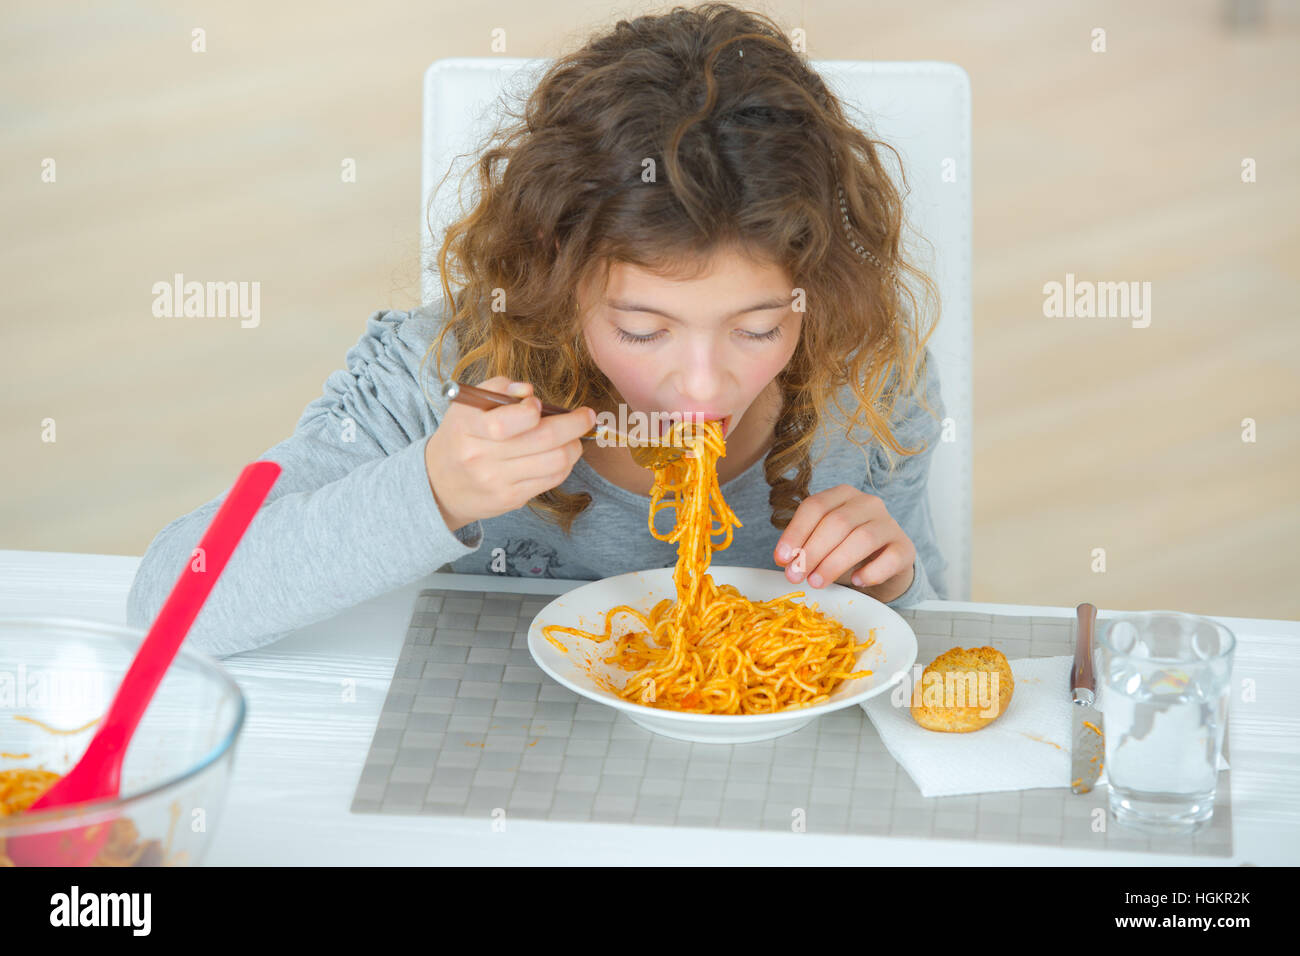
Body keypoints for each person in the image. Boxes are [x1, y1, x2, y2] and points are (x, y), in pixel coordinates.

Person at [126, 3, 949, 658]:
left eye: (759, 328)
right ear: (559, 271)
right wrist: (434, 489)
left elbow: (936, 627)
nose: (703, 385)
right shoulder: (439, 373)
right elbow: (171, 602)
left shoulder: (871, 384)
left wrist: (891, 589)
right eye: (641, 330)